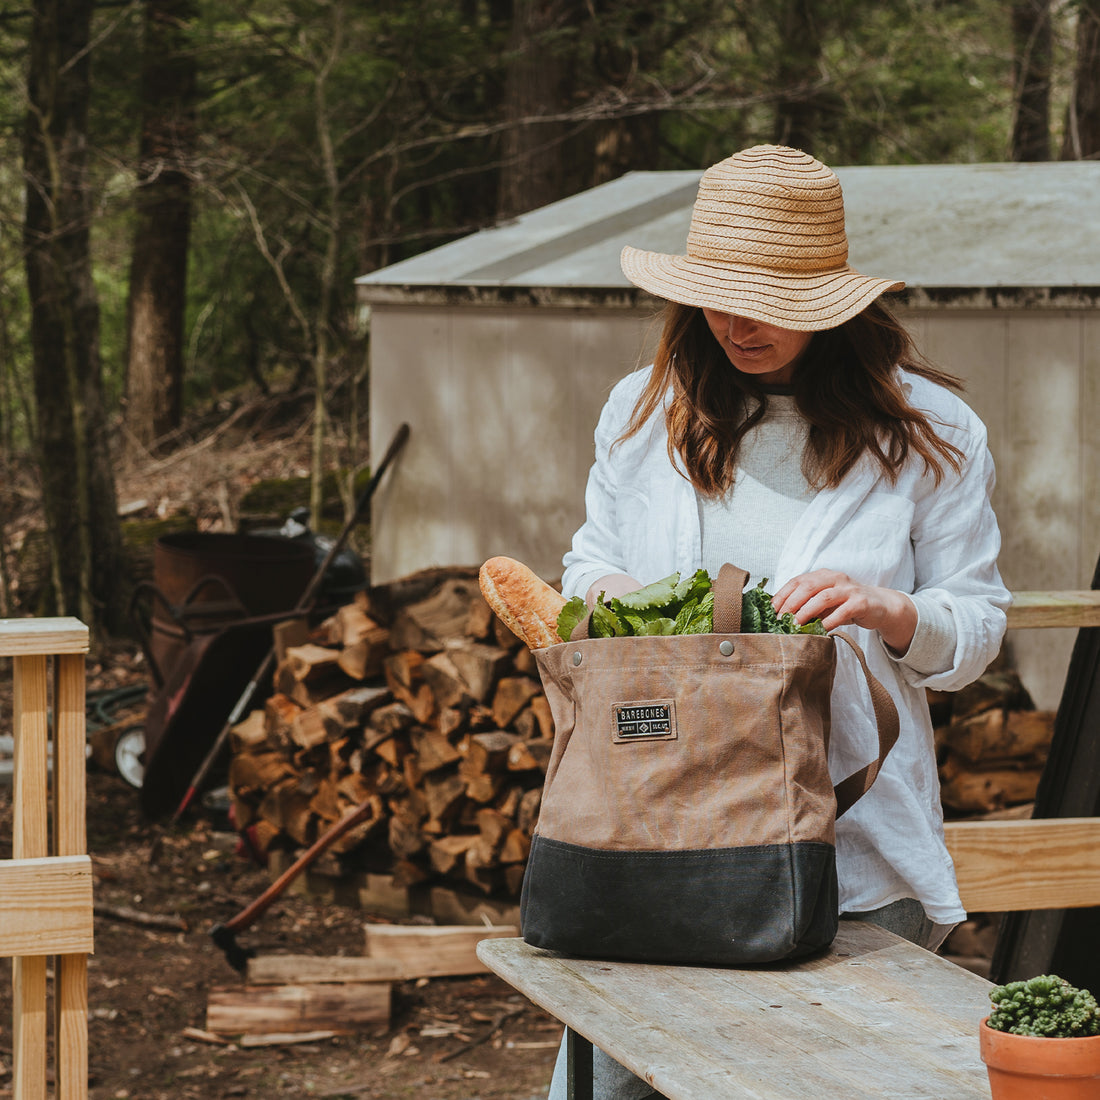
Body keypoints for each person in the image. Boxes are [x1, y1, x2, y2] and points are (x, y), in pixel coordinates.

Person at [546, 144, 1010, 1100]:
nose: (733, 321)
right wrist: (626, 607)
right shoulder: (644, 414)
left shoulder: (933, 432)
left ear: (832, 304)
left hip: (850, 857)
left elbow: (977, 627)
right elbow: (589, 565)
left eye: (765, 298)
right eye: (714, 293)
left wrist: (893, 612)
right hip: (657, 836)